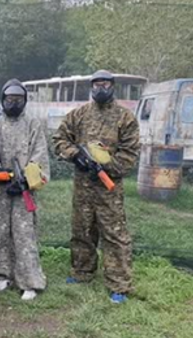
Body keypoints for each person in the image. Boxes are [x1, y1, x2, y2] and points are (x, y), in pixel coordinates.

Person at [52, 70, 140, 304]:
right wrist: (75, 156)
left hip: (108, 189)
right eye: (97, 84)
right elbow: (59, 140)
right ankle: (82, 272)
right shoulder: (78, 115)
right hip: (82, 187)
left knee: (114, 235)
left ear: (112, 87)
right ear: (91, 87)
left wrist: (105, 165)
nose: (101, 88)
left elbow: (129, 154)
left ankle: (119, 284)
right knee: (81, 231)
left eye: (105, 84)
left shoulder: (125, 118)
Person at [0, 79, 49, 300]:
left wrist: (25, 179)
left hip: (24, 188)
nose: (13, 103)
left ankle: (30, 281)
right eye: (9, 99)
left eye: (18, 99)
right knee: (0, 231)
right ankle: (2, 274)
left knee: (24, 234)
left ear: (25, 101)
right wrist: (0, 174)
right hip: (0, 187)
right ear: (2, 100)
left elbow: (39, 156)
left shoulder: (33, 124)